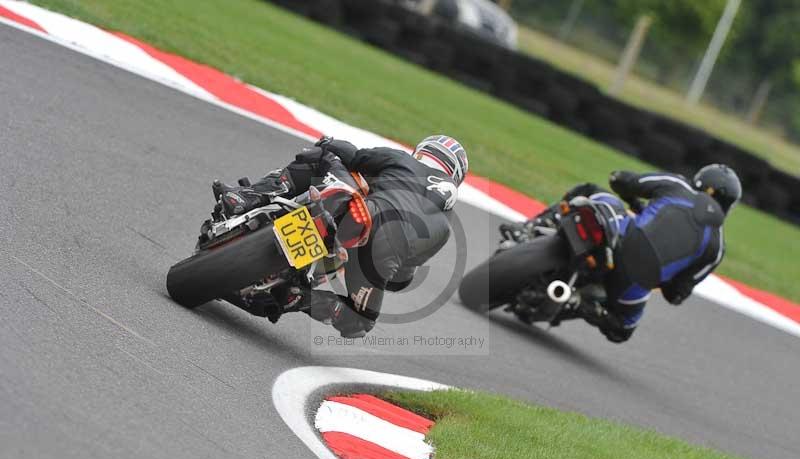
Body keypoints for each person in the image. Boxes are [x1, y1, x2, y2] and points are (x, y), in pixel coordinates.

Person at [214, 135, 468, 338]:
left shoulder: (401, 160)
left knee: (324, 156)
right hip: (375, 260)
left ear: (423, 152)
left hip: (363, 216)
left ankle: (247, 197)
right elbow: (400, 279)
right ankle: (298, 296)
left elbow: (354, 155)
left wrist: (329, 142)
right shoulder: (443, 229)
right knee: (360, 321)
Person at [501, 164, 741, 343]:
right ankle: (582, 304)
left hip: (621, 241)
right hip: (634, 284)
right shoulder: (717, 248)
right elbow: (676, 295)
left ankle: (529, 228)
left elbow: (619, 179)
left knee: (590, 191)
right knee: (623, 329)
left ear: (700, 182)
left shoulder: (677, 185)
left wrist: (633, 201)